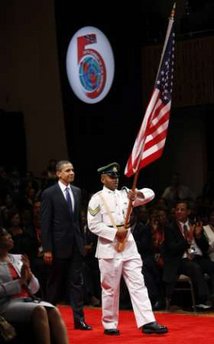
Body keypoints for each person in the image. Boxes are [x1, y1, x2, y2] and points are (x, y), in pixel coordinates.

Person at [87, 162, 168, 335]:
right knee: (110, 288)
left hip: (129, 246)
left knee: (138, 283)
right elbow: (93, 225)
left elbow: (150, 194)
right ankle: (109, 323)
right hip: (109, 246)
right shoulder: (97, 199)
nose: (115, 180)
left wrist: (136, 193)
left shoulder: (125, 194)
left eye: (116, 177)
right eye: (111, 176)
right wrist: (115, 232)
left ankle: (147, 321)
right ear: (103, 178)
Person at [41, 160, 92, 330]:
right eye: (68, 170)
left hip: (75, 246)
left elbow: (78, 221)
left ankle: (79, 320)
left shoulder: (77, 192)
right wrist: (47, 248)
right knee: (55, 284)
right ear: (58, 174)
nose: (72, 173)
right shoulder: (49, 193)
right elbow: (45, 222)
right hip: (57, 246)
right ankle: (46, 318)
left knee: (76, 283)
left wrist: (82, 242)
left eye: (73, 170)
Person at [0, 227, 69, 344]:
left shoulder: (17, 258)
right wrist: (20, 281)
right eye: (7, 236)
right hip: (7, 303)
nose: (11, 238)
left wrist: (30, 274)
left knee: (54, 310)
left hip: (27, 299)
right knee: (39, 310)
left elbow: (35, 288)